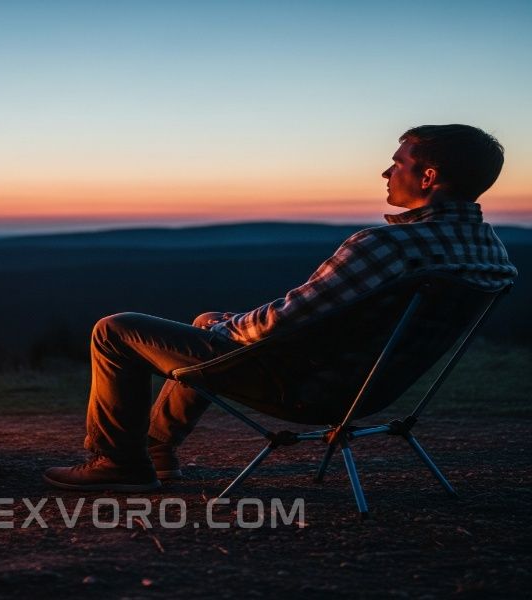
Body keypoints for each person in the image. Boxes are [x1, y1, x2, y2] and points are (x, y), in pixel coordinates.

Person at [43, 124, 519, 492]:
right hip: (373, 388)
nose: (386, 172)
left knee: (116, 329)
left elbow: (287, 318)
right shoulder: (491, 252)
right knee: (210, 322)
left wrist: (227, 332)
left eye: (397, 162)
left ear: (428, 177)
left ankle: (118, 463)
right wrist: (220, 327)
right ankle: (155, 447)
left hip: (305, 388)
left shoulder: (386, 245)